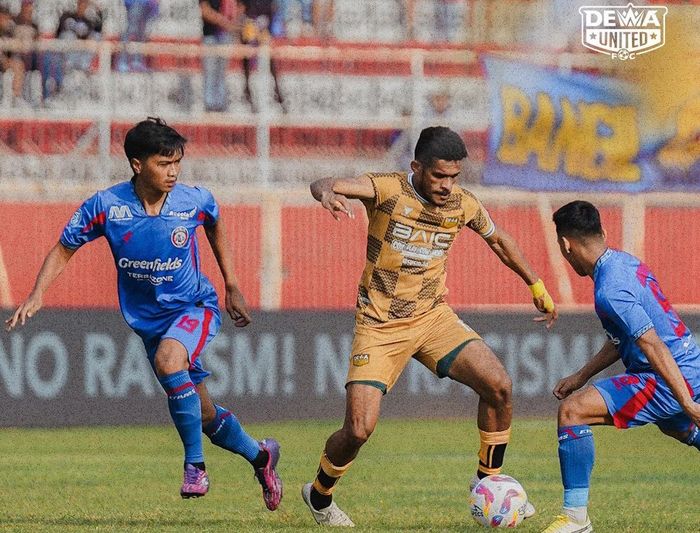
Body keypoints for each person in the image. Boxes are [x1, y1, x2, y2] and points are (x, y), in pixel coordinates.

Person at [5, 117, 283, 510]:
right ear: (138, 164)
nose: (173, 172)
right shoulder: (107, 206)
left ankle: (195, 465)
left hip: (194, 306)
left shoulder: (194, 200)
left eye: (177, 163)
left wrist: (231, 283)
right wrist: (37, 293)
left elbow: (215, 223)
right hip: (150, 324)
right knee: (204, 415)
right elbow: (64, 246)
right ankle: (262, 456)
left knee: (171, 361)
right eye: (163, 163)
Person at [302, 126, 557, 526]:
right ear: (416, 167)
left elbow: (499, 239)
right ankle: (319, 495)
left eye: (454, 177)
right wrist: (326, 193)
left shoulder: (462, 204)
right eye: (438, 176)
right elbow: (325, 182)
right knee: (358, 430)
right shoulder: (386, 189)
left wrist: (536, 285)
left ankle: (487, 484)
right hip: (380, 325)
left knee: (499, 385)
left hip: (434, 318)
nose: (446, 185)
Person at [542, 201, 700, 533]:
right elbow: (623, 339)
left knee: (573, 412)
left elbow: (651, 343)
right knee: (676, 427)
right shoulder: (626, 263)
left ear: (565, 244)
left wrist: (685, 400)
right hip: (686, 363)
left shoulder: (610, 289)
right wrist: (581, 375)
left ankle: (575, 519)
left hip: (665, 375)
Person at [199, 0, 237, 112]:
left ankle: (220, 105)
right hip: (210, 36)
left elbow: (237, 8)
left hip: (225, 35)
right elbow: (204, 10)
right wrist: (223, 21)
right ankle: (210, 105)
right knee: (210, 70)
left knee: (222, 72)